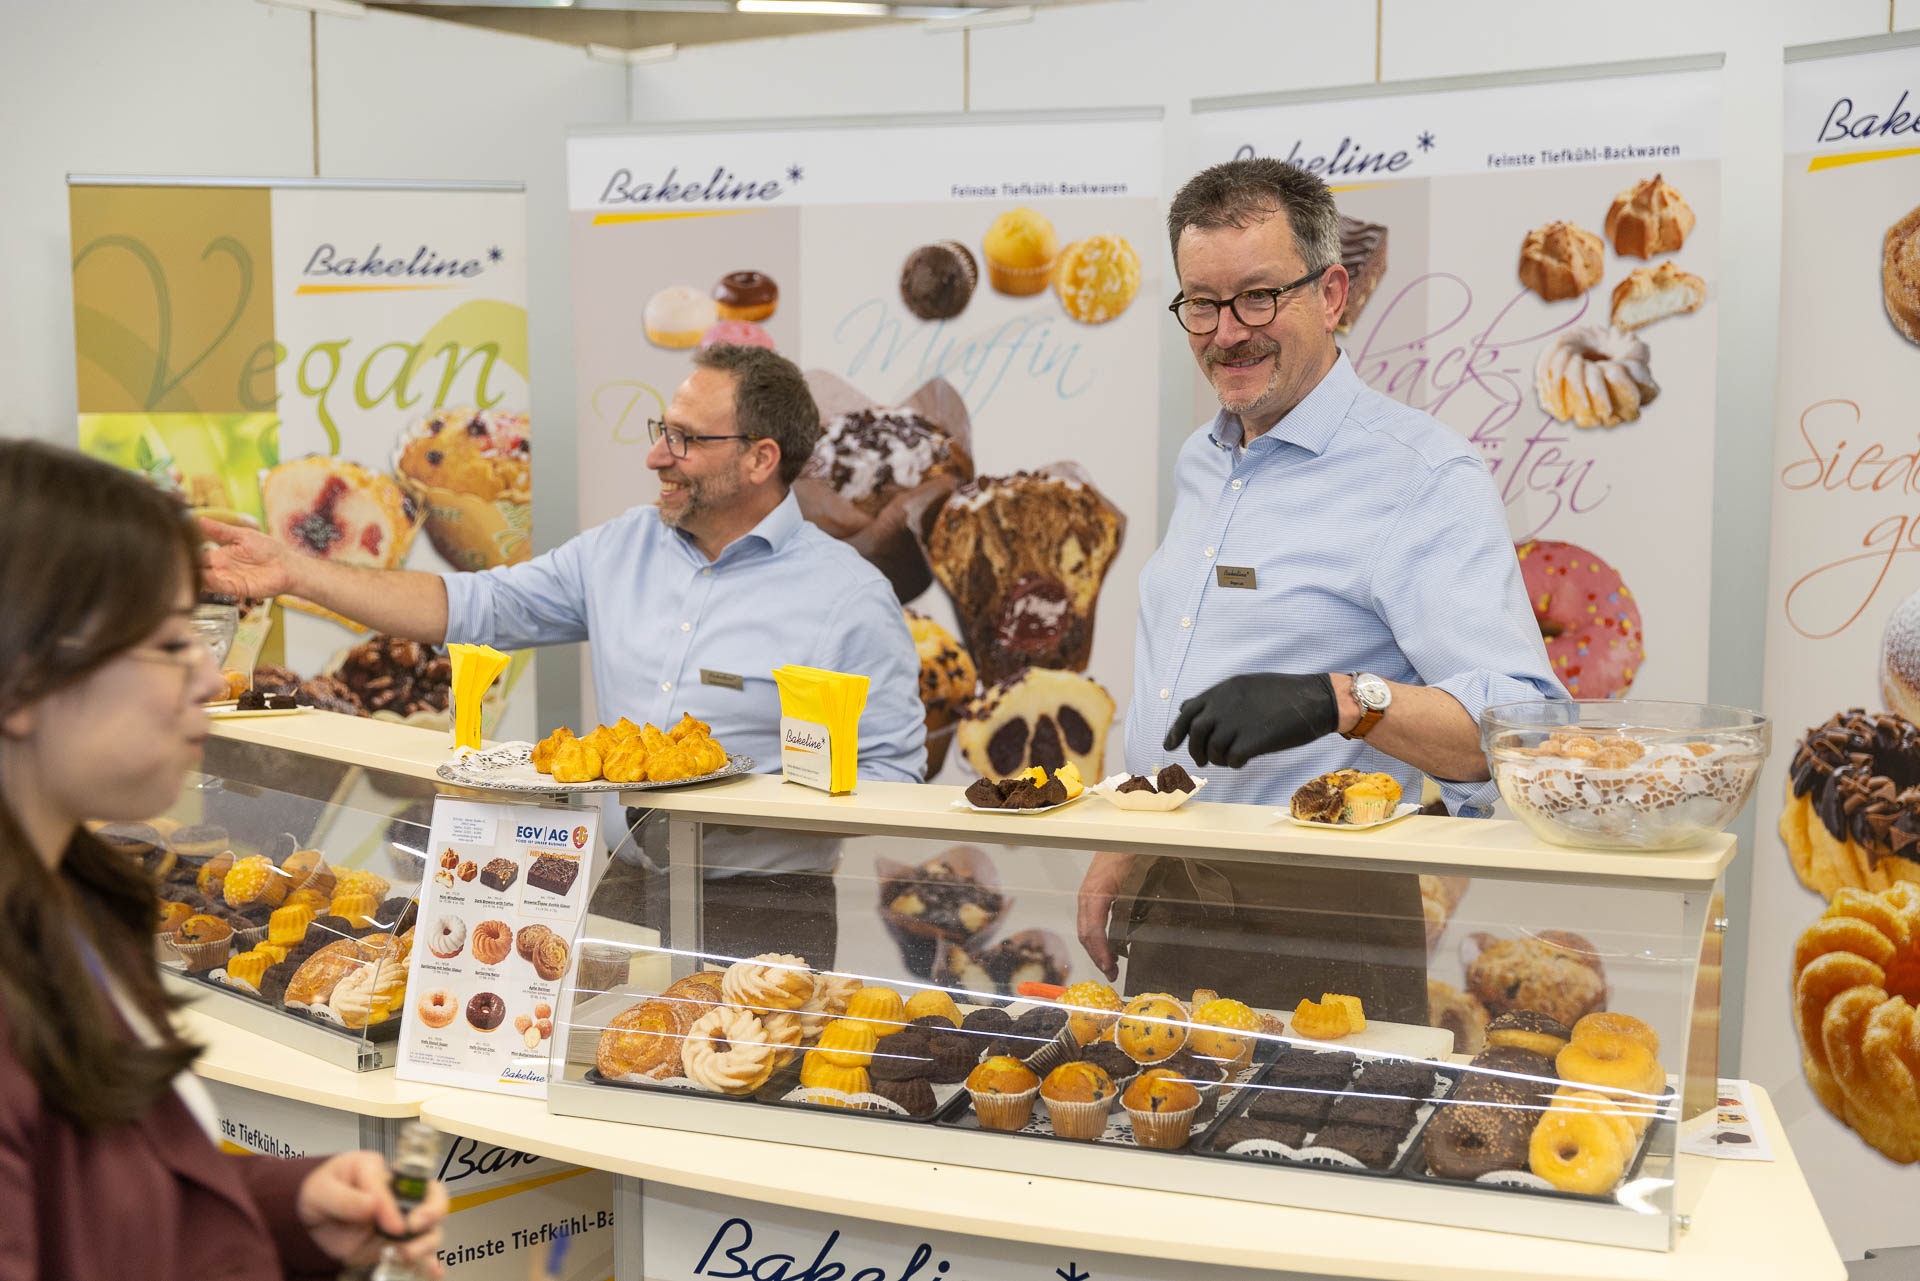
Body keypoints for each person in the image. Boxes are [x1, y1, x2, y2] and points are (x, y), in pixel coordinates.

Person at [201, 345, 926, 968]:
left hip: (767, 913)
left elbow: (894, 779)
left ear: (760, 457)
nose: (656, 455)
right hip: (622, 887)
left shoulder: (849, 598)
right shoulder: (621, 548)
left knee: (739, 1089)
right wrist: (295, 572)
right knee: (598, 1073)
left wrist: (731, 807)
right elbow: (469, 605)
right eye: (661, 431)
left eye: (684, 439)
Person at [1077, 159, 1565, 1020]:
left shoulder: (1421, 474)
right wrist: (1129, 833)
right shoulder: (1203, 459)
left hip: (1326, 924)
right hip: (1169, 900)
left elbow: (1524, 731)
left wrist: (1339, 698)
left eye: (1259, 297)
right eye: (1202, 303)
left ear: (1332, 294)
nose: (1227, 332)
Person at [0, 440, 448, 1279]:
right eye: (170, 642)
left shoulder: (71, 905)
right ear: (26, 678)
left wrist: (289, 1210)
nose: (211, 680)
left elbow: (99, 1206)